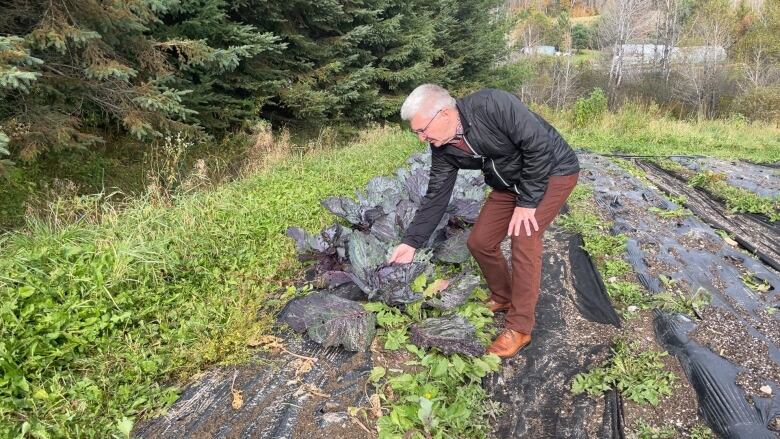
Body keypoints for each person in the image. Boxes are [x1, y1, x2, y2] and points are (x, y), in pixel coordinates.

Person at [388, 84, 580, 358]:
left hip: (553, 172)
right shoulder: (443, 147)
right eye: (417, 132)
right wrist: (411, 242)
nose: (421, 138)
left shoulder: (493, 104)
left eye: (422, 130)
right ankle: (503, 297)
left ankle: (520, 327)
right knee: (480, 242)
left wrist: (527, 203)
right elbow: (436, 195)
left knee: (524, 239)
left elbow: (538, 146)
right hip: (509, 184)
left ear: (443, 114)